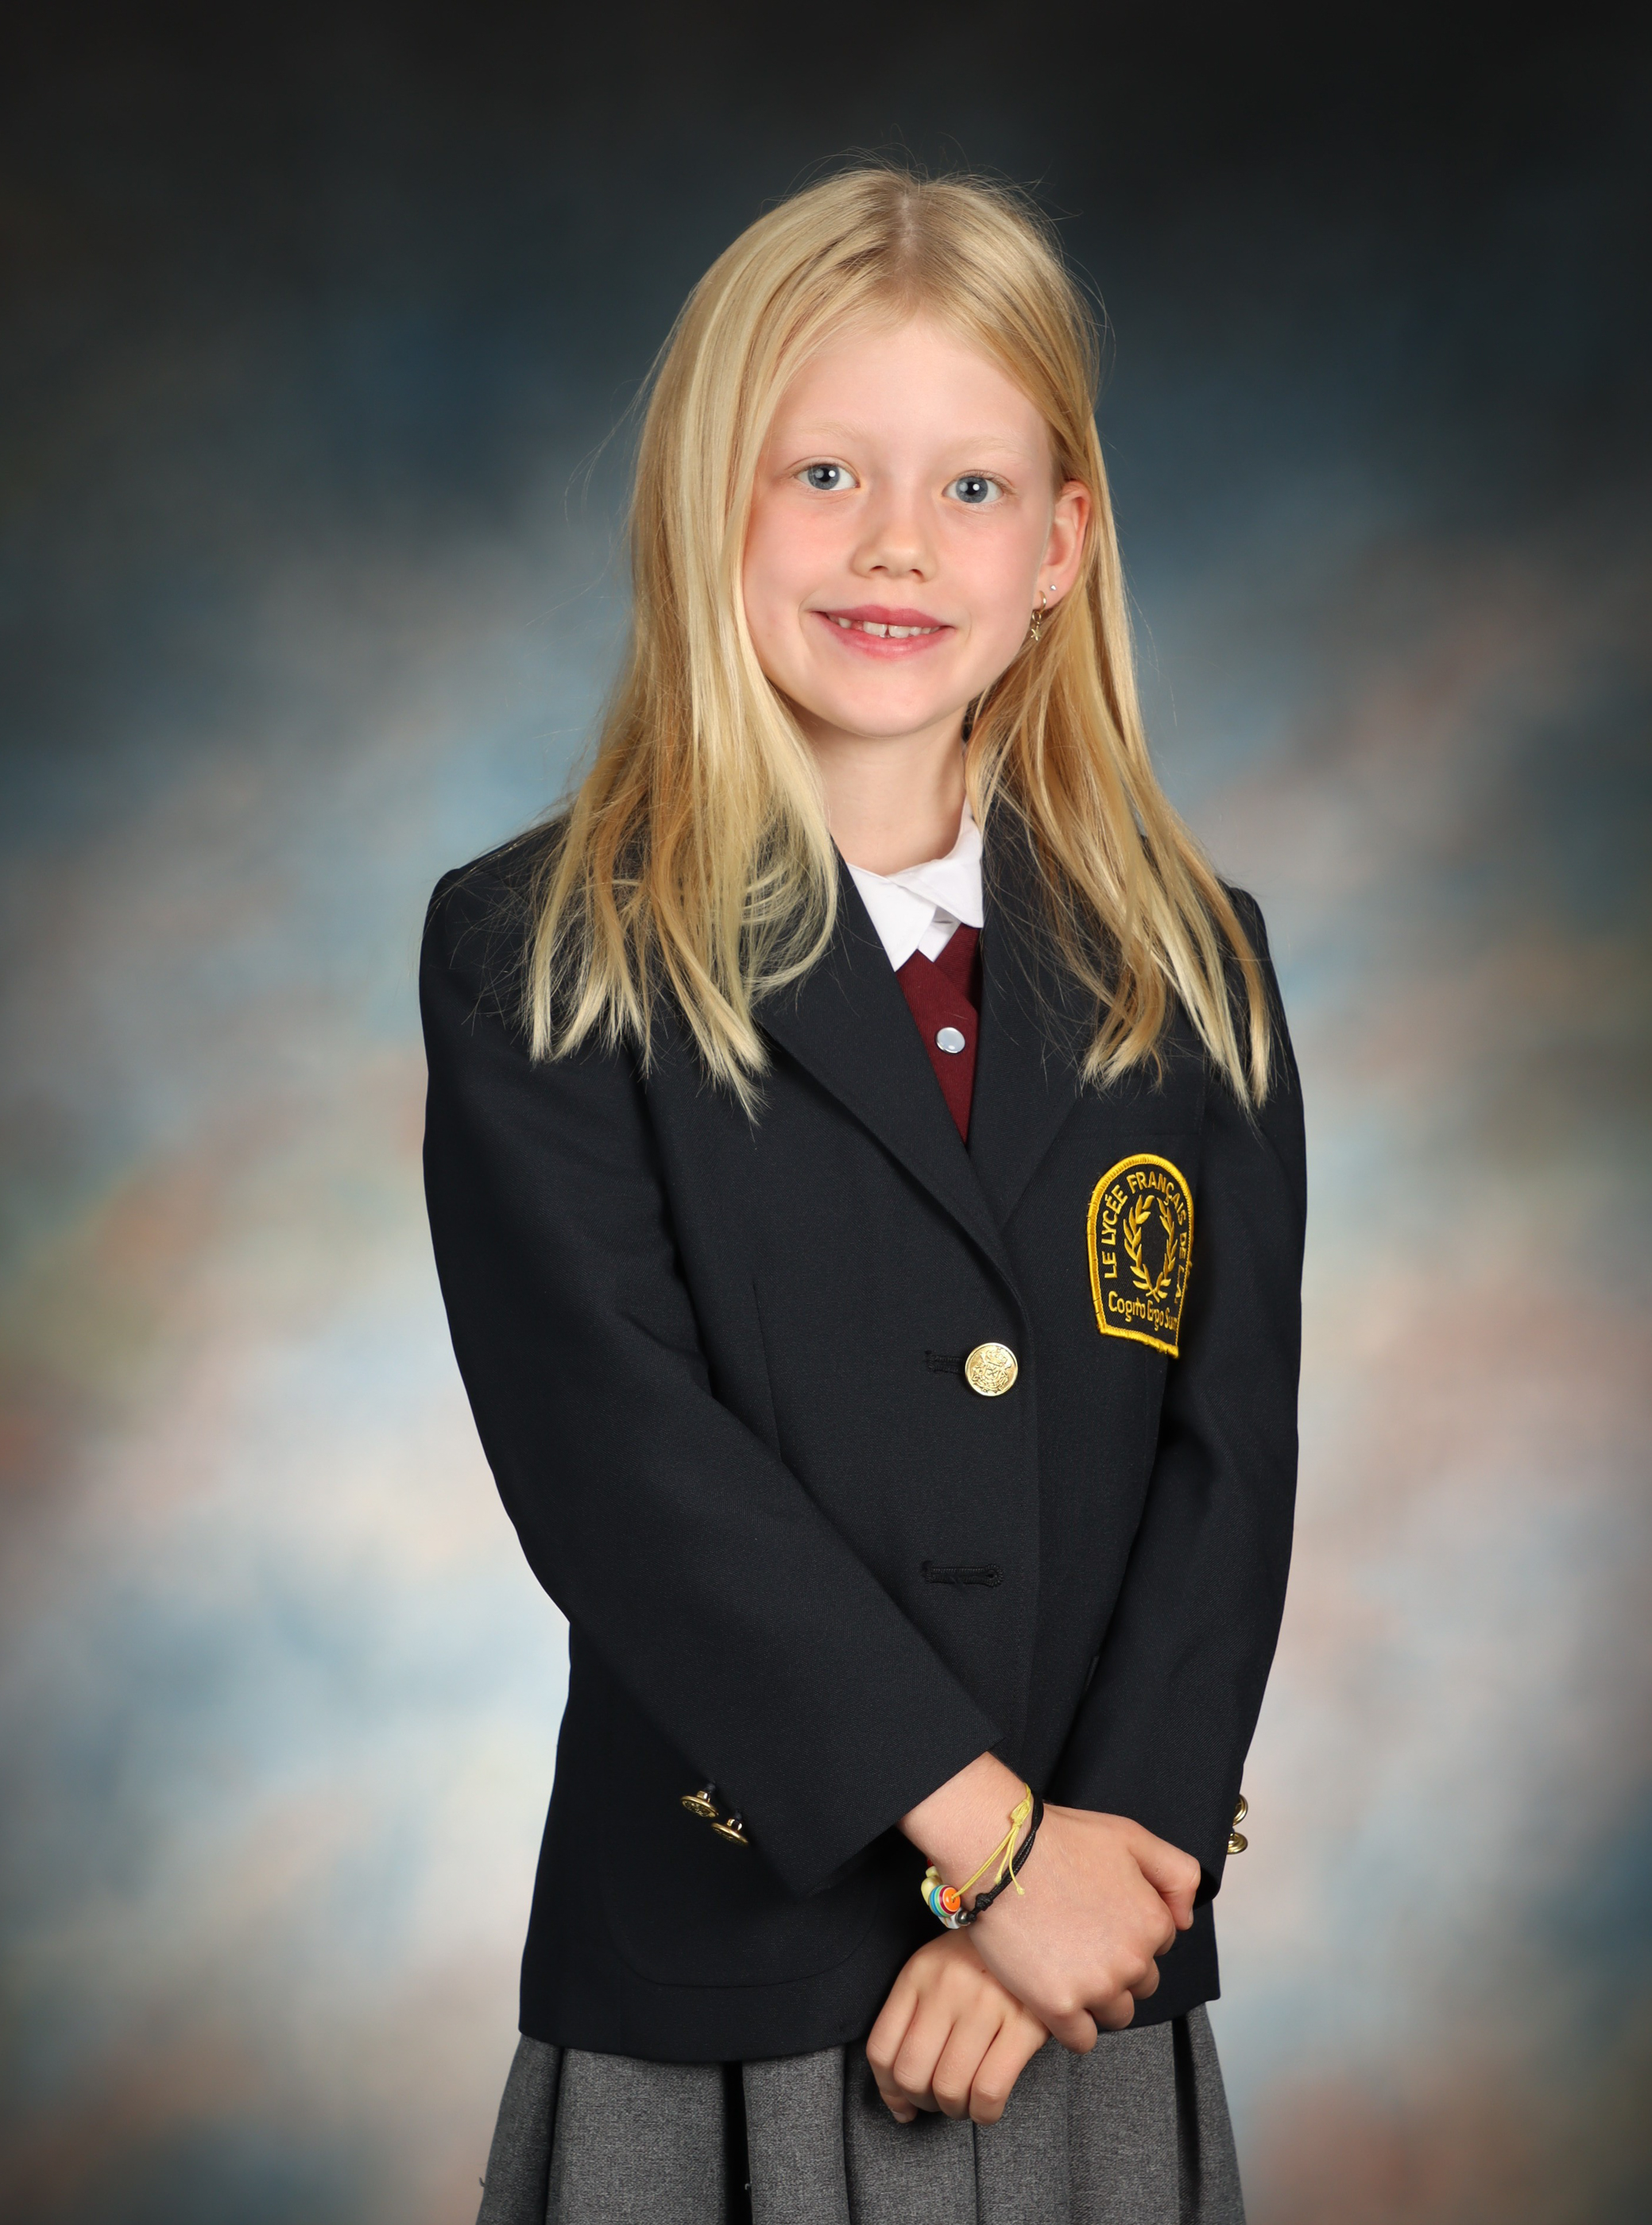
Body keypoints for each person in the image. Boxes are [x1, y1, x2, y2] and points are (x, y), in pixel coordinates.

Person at [421, 164, 1305, 2225]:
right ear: (704, 506)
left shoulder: (1194, 963)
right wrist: (992, 1850)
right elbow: (625, 1469)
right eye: (823, 472)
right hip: (718, 1992)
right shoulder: (543, 952)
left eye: (971, 489)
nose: (898, 541)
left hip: (1083, 1990)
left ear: (1061, 546)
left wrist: (1090, 1880)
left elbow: (1228, 1463)